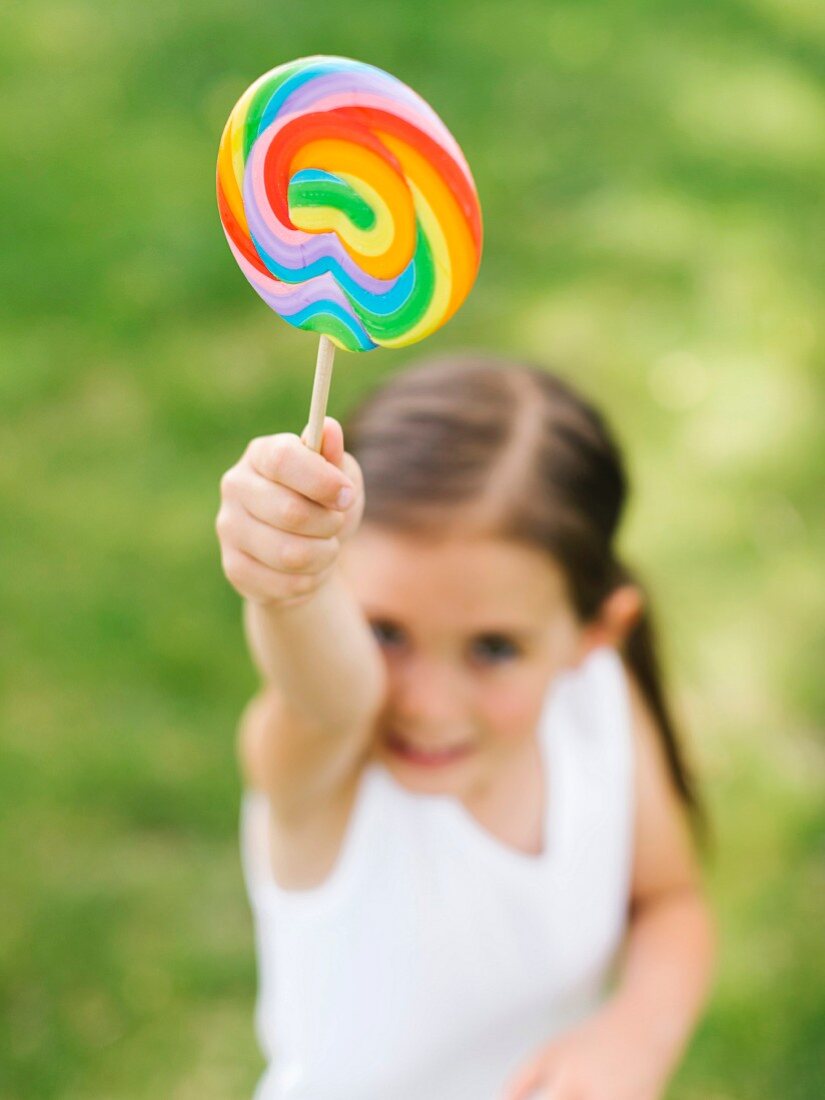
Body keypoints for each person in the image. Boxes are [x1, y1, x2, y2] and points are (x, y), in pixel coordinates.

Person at [215, 354, 716, 1100]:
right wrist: (290, 586)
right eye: (384, 631)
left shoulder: (594, 704)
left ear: (591, 635)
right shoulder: (327, 764)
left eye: (492, 649)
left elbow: (669, 904)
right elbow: (326, 693)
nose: (426, 704)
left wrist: (633, 1036)